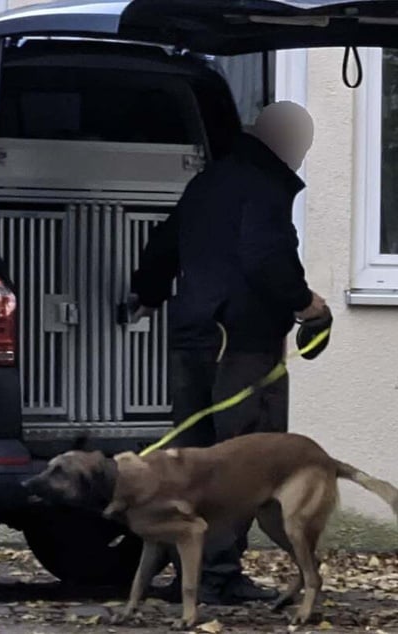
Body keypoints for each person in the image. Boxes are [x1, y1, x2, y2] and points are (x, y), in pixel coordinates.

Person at [127, 100, 330, 605]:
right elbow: (266, 258)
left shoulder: (208, 183)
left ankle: (189, 574)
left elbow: (164, 245)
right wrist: (306, 305)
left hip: (192, 335)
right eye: (302, 147)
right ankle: (218, 575)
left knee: (189, 460)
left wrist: (146, 294)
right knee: (243, 462)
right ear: (291, 145)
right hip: (241, 345)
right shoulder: (265, 188)